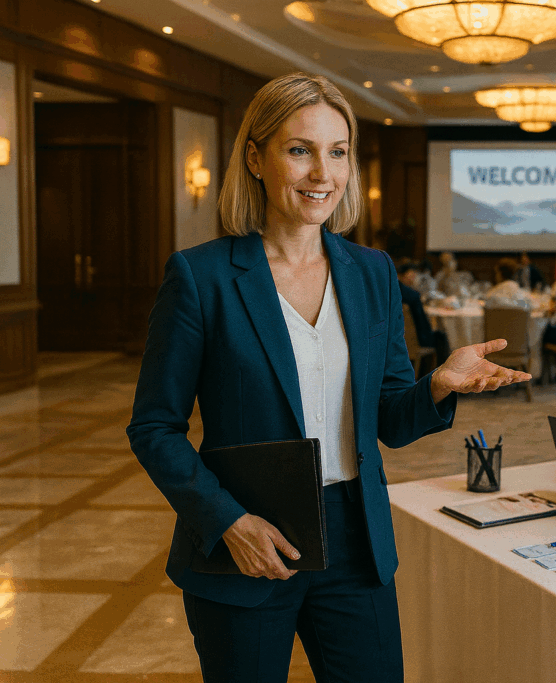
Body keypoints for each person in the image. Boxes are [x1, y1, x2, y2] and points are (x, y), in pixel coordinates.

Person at [126, 73, 530, 683]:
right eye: (300, 150)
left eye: (337, 152)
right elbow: (155, 427)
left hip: (355, 536)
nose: (323, 173)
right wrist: (227, 522)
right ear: (256, 158)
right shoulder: (200, 277)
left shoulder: (370, 272)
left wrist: (438, 385)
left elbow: (390, 420)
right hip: (245, 539)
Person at [397, 260, 450, 361]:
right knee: (442, 336)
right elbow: (422, 322)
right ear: (401, 275)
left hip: (398, 339)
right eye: (412, 274)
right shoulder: (412, 295)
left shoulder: (391, 290)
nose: (414, 278)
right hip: (417, 340)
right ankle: (438, 371)